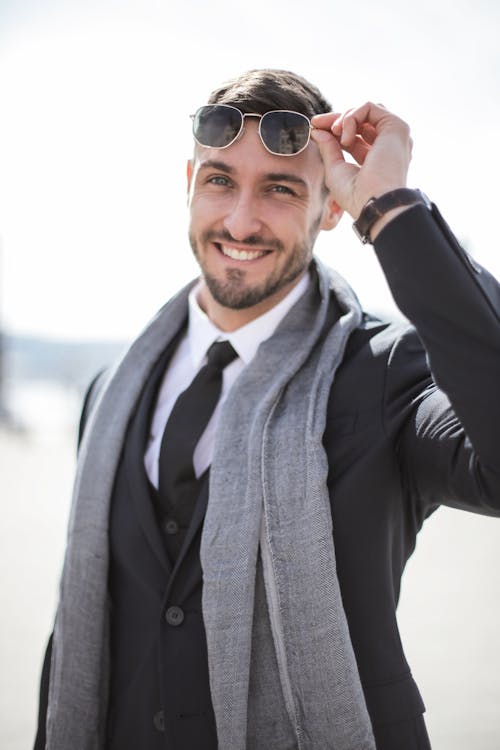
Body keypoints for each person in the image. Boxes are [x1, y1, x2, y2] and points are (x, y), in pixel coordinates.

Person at [34, 69, 500, 750]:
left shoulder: (386, 372)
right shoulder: (111, 389)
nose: (241, 220)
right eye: (220, 180)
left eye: (280, 189)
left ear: (332, 209)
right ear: (188, 182)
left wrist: (393, 210)